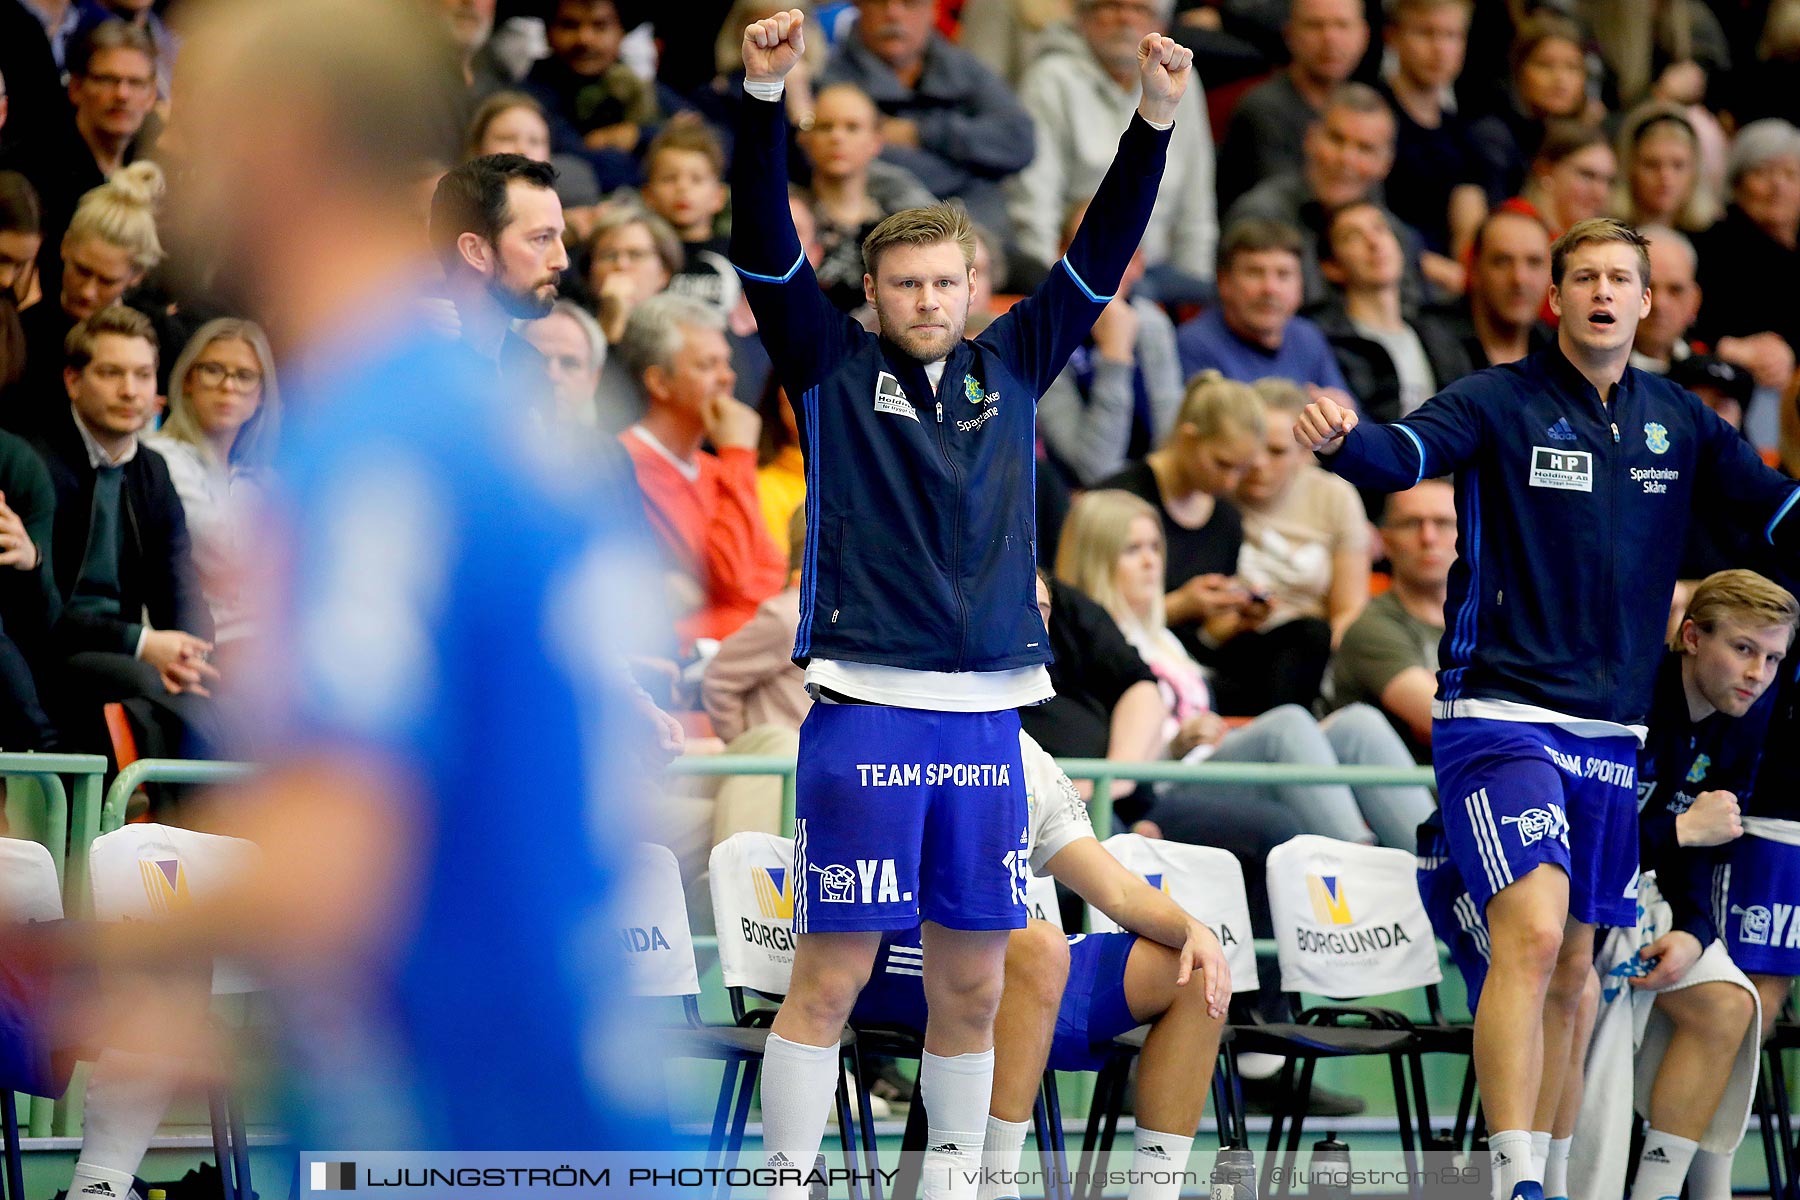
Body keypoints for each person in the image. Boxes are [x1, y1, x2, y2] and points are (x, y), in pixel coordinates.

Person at [104, 0, 677, 1147]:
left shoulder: (371, 431)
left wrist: (63, 953)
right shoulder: (505, 419)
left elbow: (334, 860)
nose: (180, 153)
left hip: (467, 1130)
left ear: (287, 134)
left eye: (204, 120)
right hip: (560, 1108)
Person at [731, 10, 1190, 1194]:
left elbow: (1103, 246)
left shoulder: (1017, 364)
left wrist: (1153, 120)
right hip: (867, 707)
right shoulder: (829, 368)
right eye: (906, 283)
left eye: (946, 281)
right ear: (872, 291)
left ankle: (946, 1185)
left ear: (974, 286)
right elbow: (760, 239)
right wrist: (761, 98)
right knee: (827, 975)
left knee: (976, 979)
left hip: (990, 717)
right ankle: (786, 1182)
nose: (929, 299)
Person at [1294, 216, 1800, 1200]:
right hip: (1501, 713)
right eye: (1585, 278)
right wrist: (1344, 442)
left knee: (1577, 971)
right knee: (1533, 926)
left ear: (1649, 302)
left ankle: (1558, 1181)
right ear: (1554, 299)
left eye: (1622, 278)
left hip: (1613, 734)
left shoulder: (1680, 420)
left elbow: (1776, 509)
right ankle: (1514, 1177)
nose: (1603, 292)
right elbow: (1402, 456)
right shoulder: (1497, 399)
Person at [850, 722, 1229, 1200]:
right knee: (1035, 947)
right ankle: (993, 1186)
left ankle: (1156, 1191)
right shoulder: (900, 730)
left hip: (1012, 952)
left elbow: (1121, 890)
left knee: (1195, 971)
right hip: (903, 944)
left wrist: (1193, 930)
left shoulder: (1029, 756)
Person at [1057, 486, 1432, 849]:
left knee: (1358, 725)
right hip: (1163, 785)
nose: (1151, 560)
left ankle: (1441, 864)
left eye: (1155, 546)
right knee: (1286, 726)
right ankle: (1356, 864)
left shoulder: (1164, 639)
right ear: (1097, 559)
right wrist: (1174, 746)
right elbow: (1103, 747)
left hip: (1211, 763)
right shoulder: (1091, 652)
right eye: (1132, 549)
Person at [35, 306, 218, 765]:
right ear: (73, 381)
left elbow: (179, 581)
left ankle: (186, 823)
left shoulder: (152, 470)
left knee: (222, 690)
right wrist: (142, 643)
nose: (129, 390)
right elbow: (40, 609)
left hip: (126, 647)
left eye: (142, 374)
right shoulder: (37, 461)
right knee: (143, 681)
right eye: (111, 373)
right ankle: (143, 815)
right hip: (50, 647)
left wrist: (190, 654)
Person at [1008, 0, 1217, 299]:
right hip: (1076, 272)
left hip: (1159, 273)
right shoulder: (1051, 79)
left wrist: (1195, 291)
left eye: (1141, 9)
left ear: (1162, 25)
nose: (1126, 19)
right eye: (1111, 6)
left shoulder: (1182, 78)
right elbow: (1034, 202)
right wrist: (1044, 293)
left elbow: (1197, 204)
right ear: (1082, 18)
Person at [616, 293, 786, 647]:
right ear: (659, 382)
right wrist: (739, 453)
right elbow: (733, 577)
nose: (727, 378)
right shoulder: (623, 466)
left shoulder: (715, 467)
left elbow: (769, 580)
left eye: (726, 363)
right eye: (707, 365)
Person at [1094, 373, 1266, 694]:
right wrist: (1177, 606)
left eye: (1243, 470)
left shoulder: (1227, 518)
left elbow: (1204, 638)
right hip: (1125, 666)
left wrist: (1232, 614)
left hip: (1194, 662)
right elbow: (1089, 614)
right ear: (1188, 437)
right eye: (1222, 464)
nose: (1231, 483)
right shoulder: (1116, 501)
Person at [818, 0, 1036, 238]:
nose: (893, 13)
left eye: (909, 3)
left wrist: (919, 133)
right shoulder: (830, 83)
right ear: (859, 7)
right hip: (889, 239)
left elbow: (1019, 140)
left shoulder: (962, 68)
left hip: (989, 239)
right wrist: (973, 164)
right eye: (880, 2)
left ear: (932, 10)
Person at [1226, 83, 1445, 309]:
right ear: (1310, 139)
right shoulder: (1261, 215)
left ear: (1385, 164)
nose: (1346, 160)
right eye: (1336, 140)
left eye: (1365, 148)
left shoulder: (1394, 233)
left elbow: (1413, 312)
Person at [142, 319, 280, 662]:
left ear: (261, 395)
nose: (228, 386)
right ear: (188, 379)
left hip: (272, 649)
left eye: (245, 376)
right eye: (213, 370)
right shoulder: (158, 458)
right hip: (196, 648)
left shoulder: (264, 481)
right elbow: (224, 554)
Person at [11, 162, 162, 437]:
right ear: (65, 245)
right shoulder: (20, 334)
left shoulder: (161, 336)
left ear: (137, 275)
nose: (87, 291)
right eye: (82, 270)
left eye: (107, 281)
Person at [1038, 203, 1181, 488]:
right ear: (1061, 255)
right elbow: (1095, 469)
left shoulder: (1152, 323)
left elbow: (1172, 443)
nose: (1103, 263)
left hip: (1154, 490)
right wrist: (1115, 356)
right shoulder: (1042, 334)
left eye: (1119, 248)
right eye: (1087, 246)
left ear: (1138, 264)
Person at [14, 19, 157, 285]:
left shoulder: (156, 169)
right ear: (76, 88)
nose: (122, 94)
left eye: (136, 83)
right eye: (107, 80)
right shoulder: (34, 166)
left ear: (151, 96)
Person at [1234, 377, 1372, 648]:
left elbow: (1350, 610)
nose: (1259, 463)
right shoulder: (1218, 487)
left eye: (1276, 451)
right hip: (1232, 642)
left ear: (1305, 453)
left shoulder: (1335, 497)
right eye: (1252, 446)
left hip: (1312, 646)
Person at [1324, 477, 1454, 762]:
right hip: (1404, 788)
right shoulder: (1370, 628)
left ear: (1468, 534)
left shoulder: (1494, 621)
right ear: (1386, 541)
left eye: (1443, 523)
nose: (1428, 537)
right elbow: (1449, 717)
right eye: (1411, 523)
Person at [1316, 200, 1476, 419]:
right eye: (1353, 236)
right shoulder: (1327, 343)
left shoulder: (1439, 337)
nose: (1373, 242)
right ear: (1332, 267)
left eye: (1380, 228)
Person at [428, 152, 568, 394]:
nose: (562, 260)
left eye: (560, 237)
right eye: (541, 239)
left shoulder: (530, 369)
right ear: (475, 251)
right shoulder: (401, 362)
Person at [1216, 0, 1369, 211]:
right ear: (1289, 34)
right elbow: (1281, 203)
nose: (1330, 39)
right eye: (1315, 25)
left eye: (1342, 25)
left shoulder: (1371, 108)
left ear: (1364, 35)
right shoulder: (1262, 107)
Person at [800, 81, 936, 315]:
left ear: (876, 141)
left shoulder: (897, 228)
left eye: (852, 127)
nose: (837, 137)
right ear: (806, 139)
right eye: (825, 127)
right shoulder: (790, 218)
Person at [1174, 219, 1350, 395]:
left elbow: (1350, 413)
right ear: (1223, 282)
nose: (1270, 289)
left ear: (1300, 285)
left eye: (1283, 274)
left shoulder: (1308, 337)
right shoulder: (1196, 345)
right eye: (1254, 273)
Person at [1378, 0, 1490, 258]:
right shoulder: (1371, 115)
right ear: (1393, 37)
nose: (1439, 49)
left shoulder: (1461, 131)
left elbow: (1470, 224)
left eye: (1451, 36)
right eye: (1425, 33)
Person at [1693, 119, 1800, 370]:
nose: (1778, 186)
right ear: (1737, 183)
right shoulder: (1711, 247)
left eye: (1791, 174)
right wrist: (1729, 347)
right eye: (1763, 173)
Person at [1468, 12, 1594, 202]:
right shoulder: (1493, 137)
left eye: (1572, 67)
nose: (1560, 79)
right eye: (1545, 65)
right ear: (1519, 70)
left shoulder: (1590, 140)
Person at [583, 201, 681, 431]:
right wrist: (610, 325)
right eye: (608, 256)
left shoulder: (686, 333)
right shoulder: (567, 330)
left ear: (663, 273)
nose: (622, 265)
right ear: (590, 274)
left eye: (636, 255)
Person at [464, 90, 604, 241]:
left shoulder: (572, 203)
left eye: (535, 141)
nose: (522, 149)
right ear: (477, 148)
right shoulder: (454, 206)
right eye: (507, 138)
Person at [1441, 207, 1555, 369]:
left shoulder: (1561, 353)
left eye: (1534, 263)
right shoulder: (1430, 344)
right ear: (1474, 269)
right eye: (1502, 261)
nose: (1519, 278)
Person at [640, 122, 737, 311]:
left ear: (719, 196)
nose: (682, 188)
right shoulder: (637, 254)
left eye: (697, 179)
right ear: (648, 195)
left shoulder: (742, 256)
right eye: (669, 178)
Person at [1611, 103, 1720, 234]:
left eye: (1678, 165)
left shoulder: (1719, 237)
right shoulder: (1607, 236)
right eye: (1652, 164)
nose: (1665, 176)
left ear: (1695, 170)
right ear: (1630, 167)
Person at [521, 298, 608, 430]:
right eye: (539, 361)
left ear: (593, 380)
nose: (553, 376)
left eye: (570, 364)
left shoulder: (613, 450)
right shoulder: (482, 443)